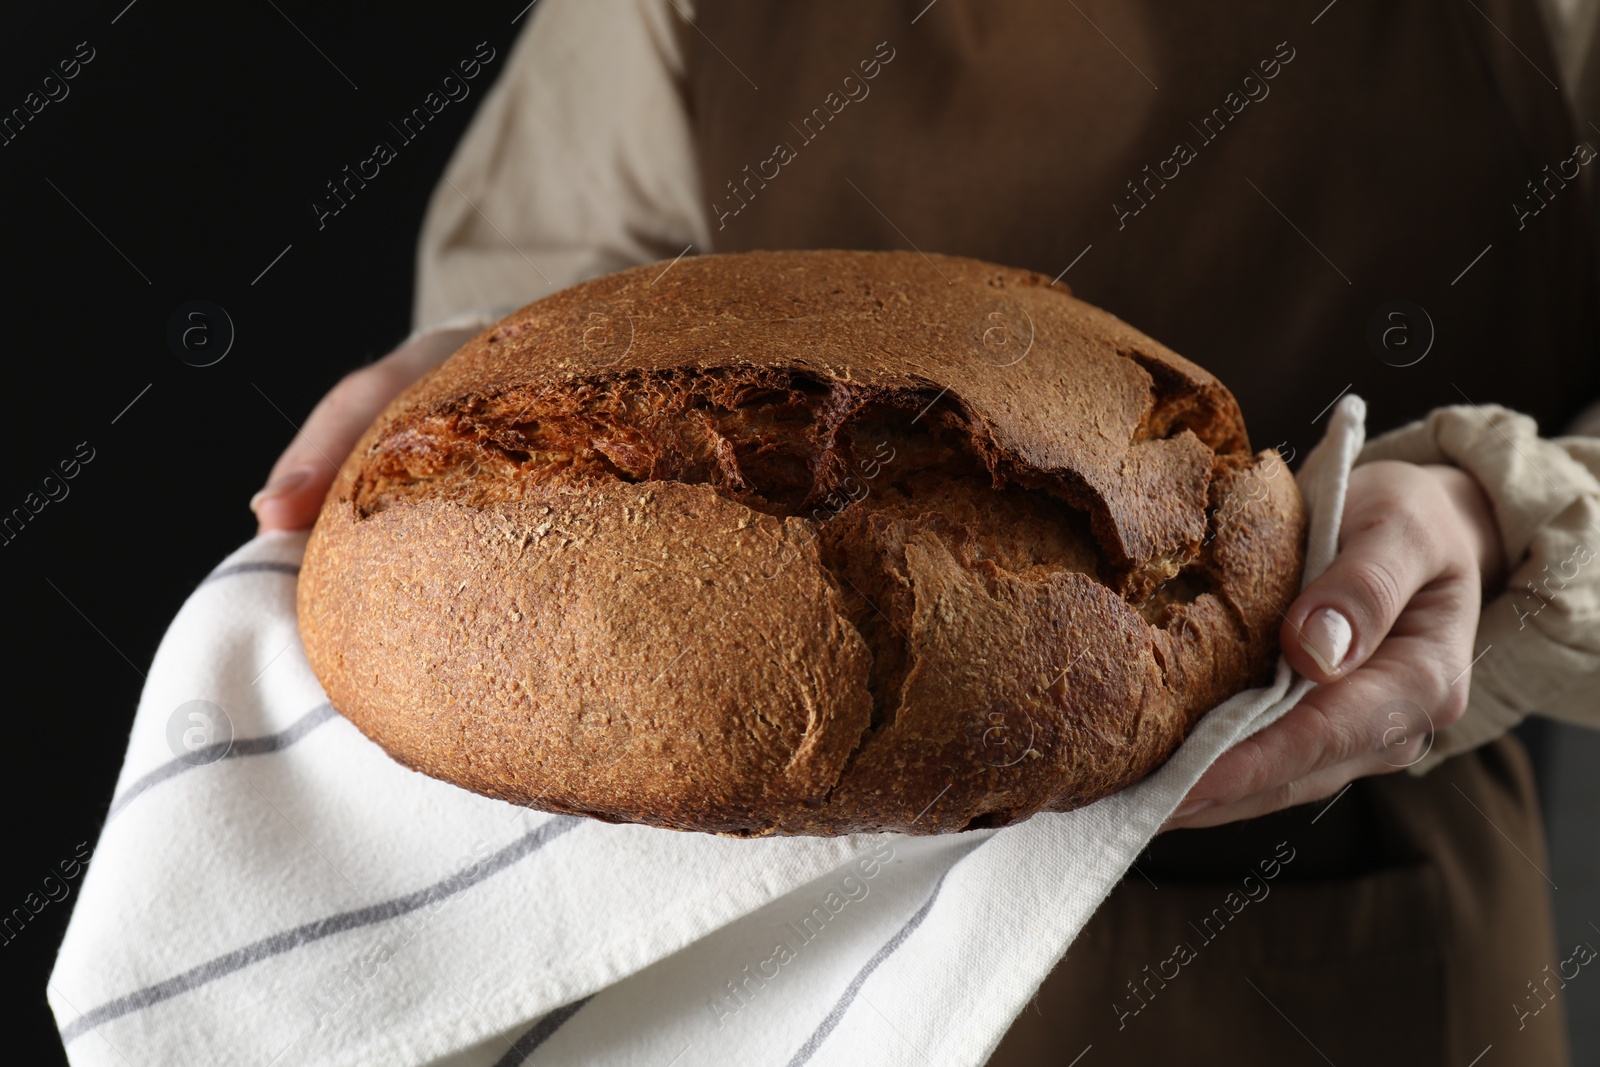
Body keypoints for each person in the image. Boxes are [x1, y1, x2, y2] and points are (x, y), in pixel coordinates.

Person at [250, 1, 1600, 1062]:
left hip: (1313, 958)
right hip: (750, 985)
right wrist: (455, 382)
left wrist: (1490, 515)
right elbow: (549, 298)